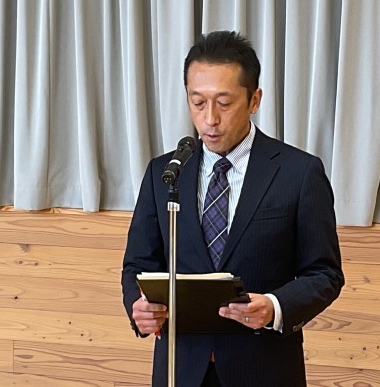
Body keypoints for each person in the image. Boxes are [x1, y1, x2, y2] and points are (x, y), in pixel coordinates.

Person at [121, 30, 344, 386]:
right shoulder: (165, 173)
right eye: (198, 103)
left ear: (254, 100)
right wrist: (139, 306)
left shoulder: (299, 173)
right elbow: (138, 264)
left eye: (224, 103)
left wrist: (274, 306)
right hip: (181, 368)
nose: (210, 118)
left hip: (263, 368)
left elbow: (324, 273)